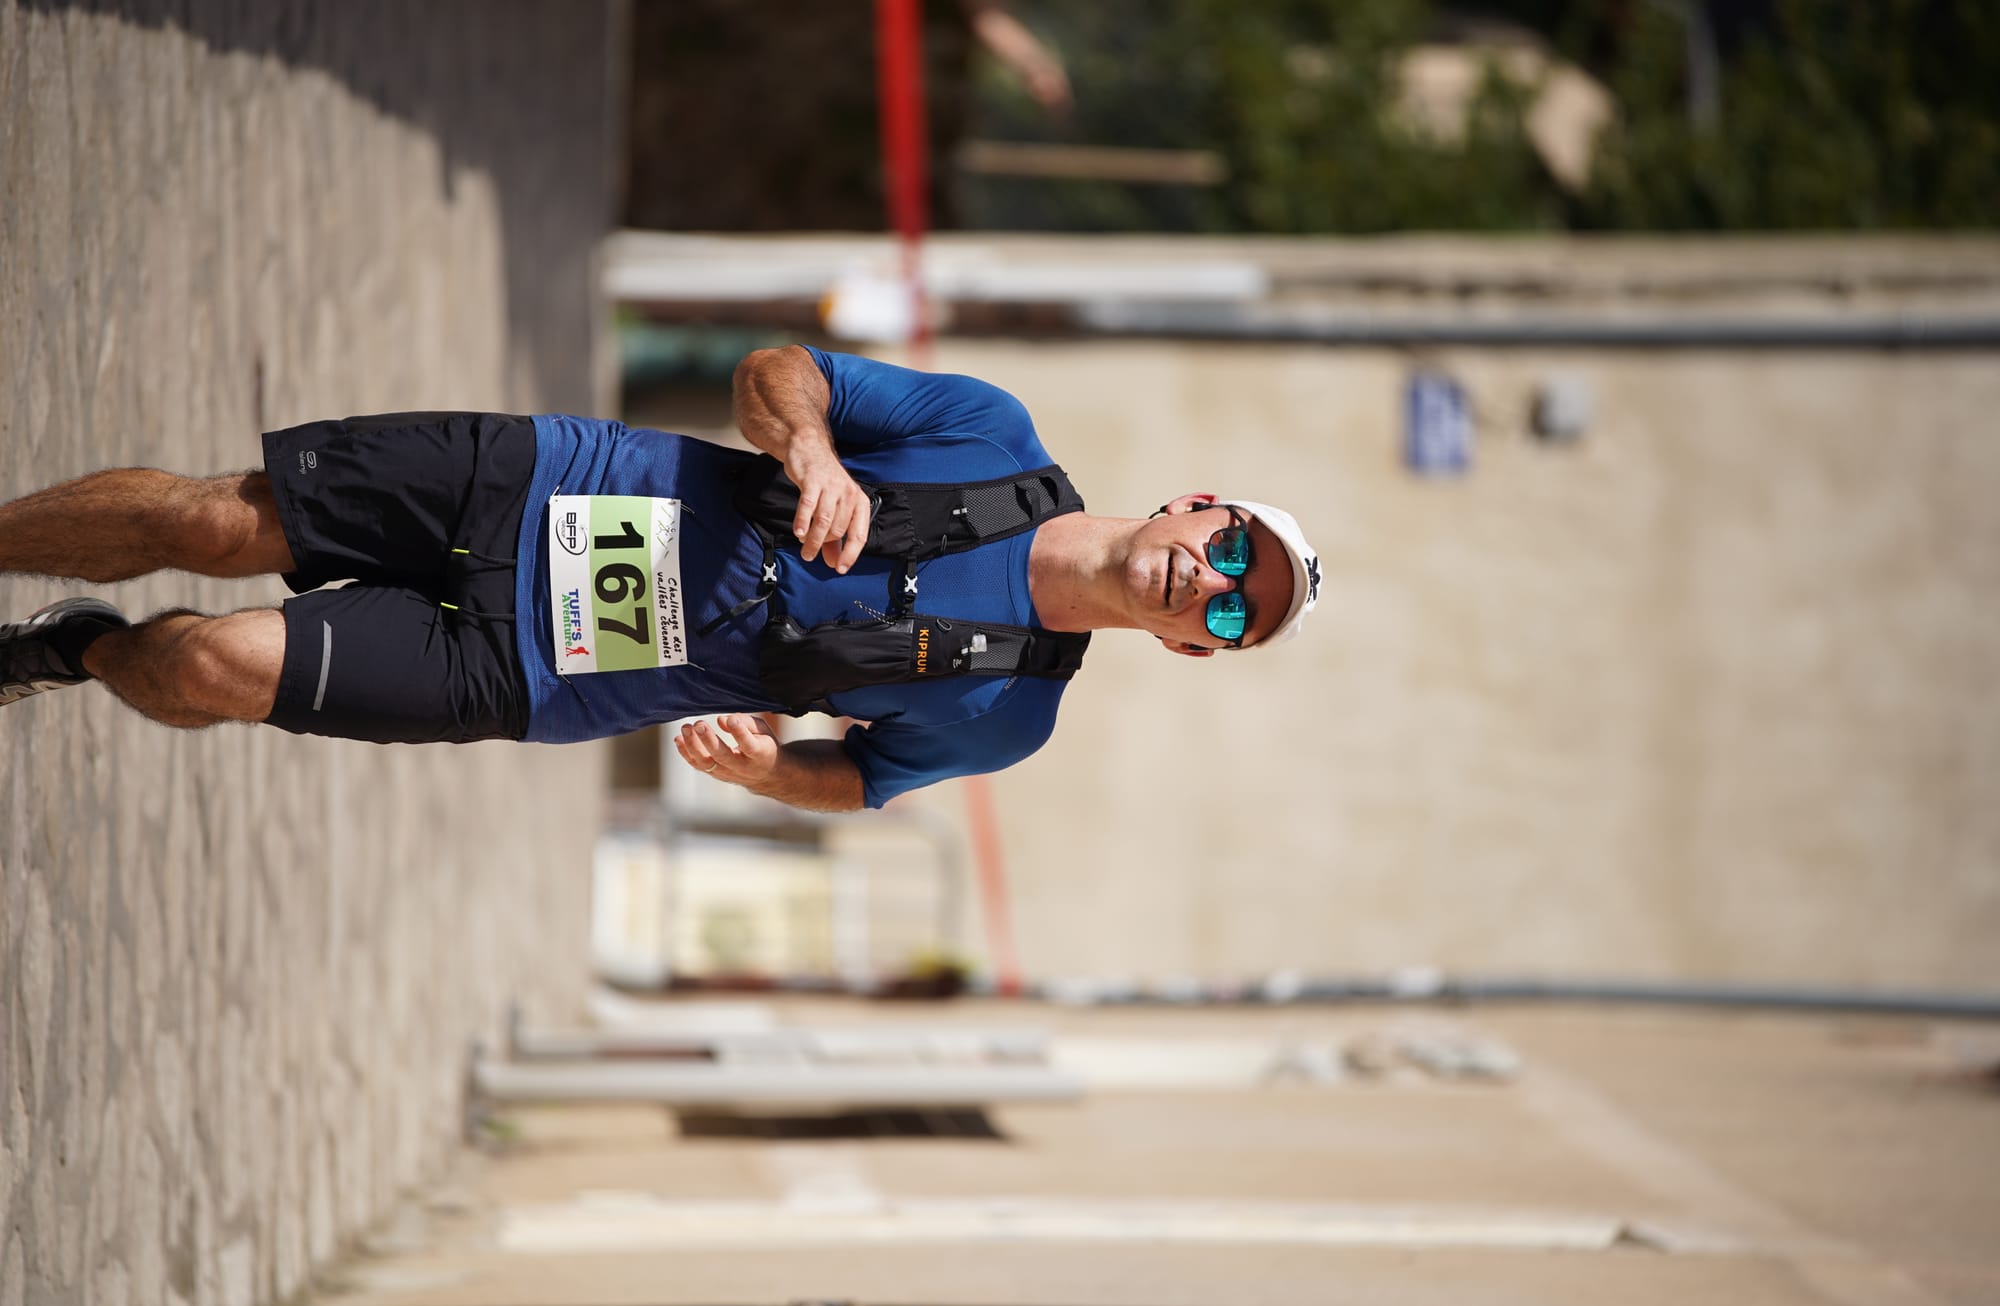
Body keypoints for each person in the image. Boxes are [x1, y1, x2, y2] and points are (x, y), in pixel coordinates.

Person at [0, 347, 1320, 811]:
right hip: (547, 482)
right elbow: (779, 369)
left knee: (204, 664)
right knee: (212, 521)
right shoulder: (989, 431)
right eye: (1231, 550)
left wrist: (763, 774)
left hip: (544, 673)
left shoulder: (1010, 711)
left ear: (1194, 649)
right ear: (1197, 504)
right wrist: (809, 441)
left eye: (1228, 613)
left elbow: (859, 782)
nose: (1207, 579)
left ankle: (76, 651)